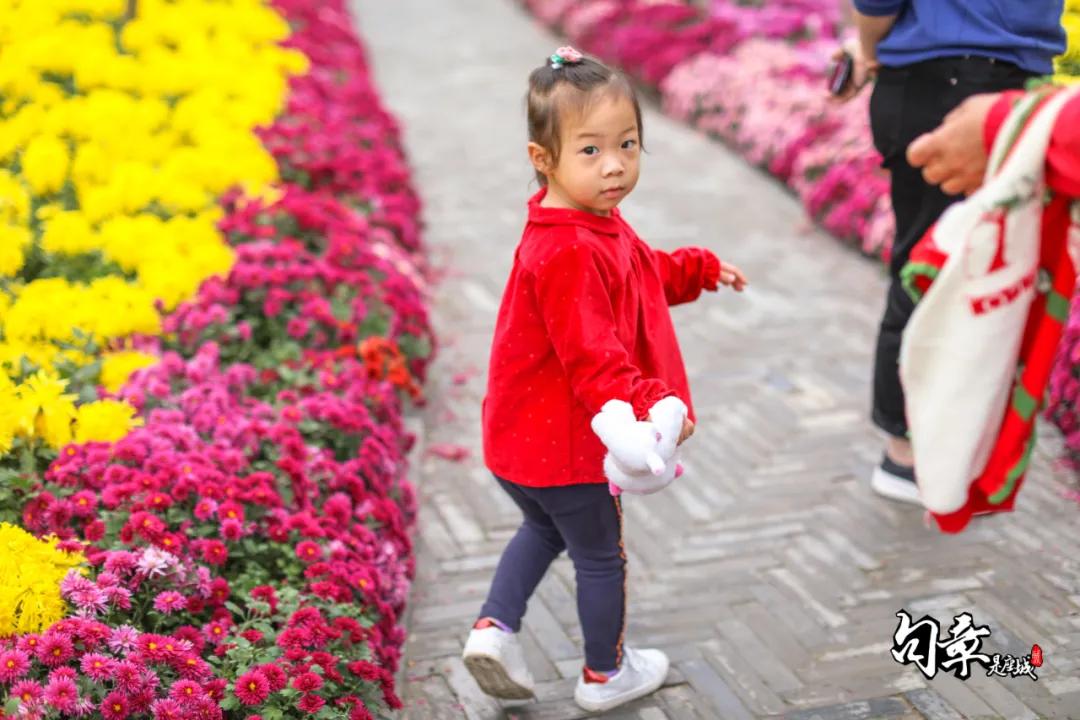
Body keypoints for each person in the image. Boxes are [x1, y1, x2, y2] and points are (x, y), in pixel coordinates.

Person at [461, 46, 747, 713]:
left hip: (519, 443)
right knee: (600, 558)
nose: (615, 164)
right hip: (569, 447)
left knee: (543, 530)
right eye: (590, 151)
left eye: (628, 144)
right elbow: (594, 357)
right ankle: (603, 674)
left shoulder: (589, 224)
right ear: (544, 160)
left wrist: (700, 269)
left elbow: (643, 274)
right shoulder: (567, 251)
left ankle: (494, 629)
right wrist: (652, 400)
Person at [833, 0, 1066, 505]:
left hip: (981, 85)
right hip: (958, 84)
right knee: (932, 266)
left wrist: (870, 50)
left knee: (961, 270)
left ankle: (940, 443)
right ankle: (905, 451)